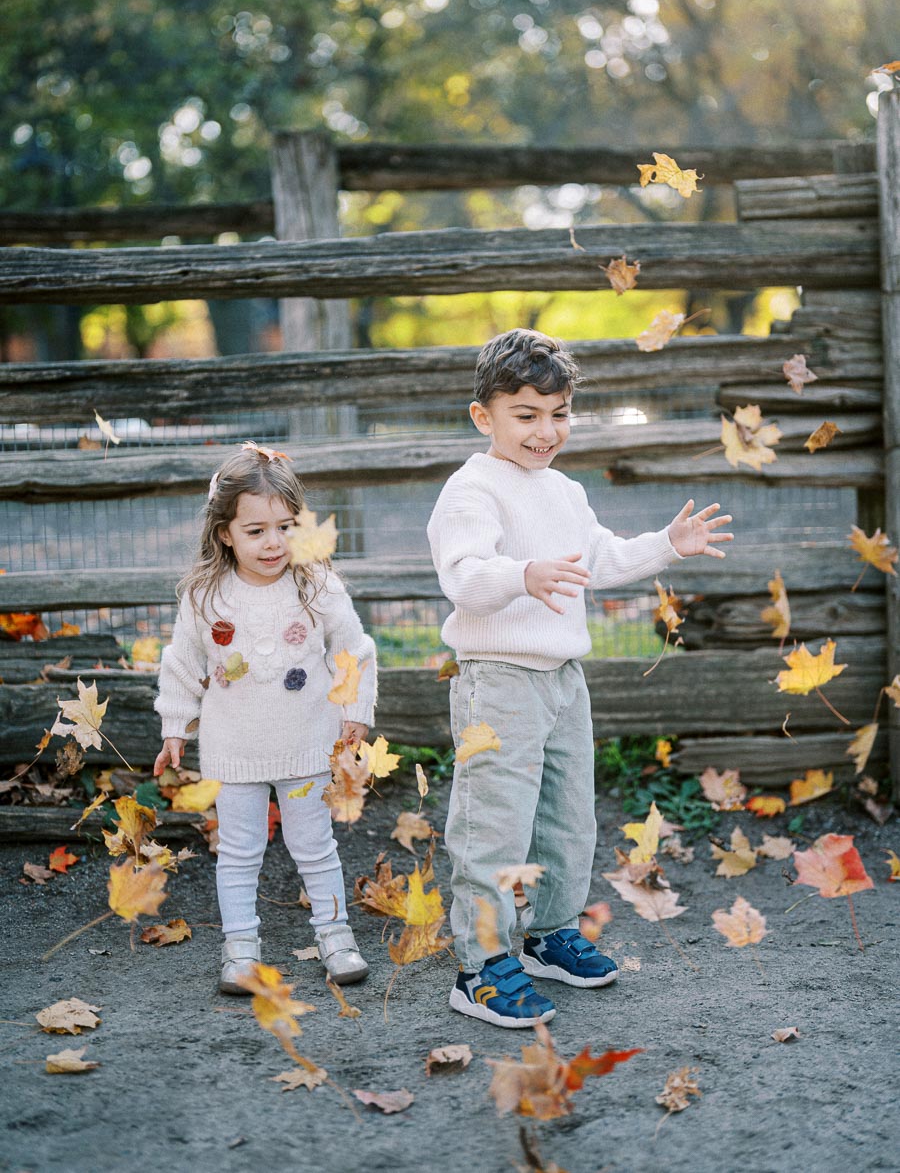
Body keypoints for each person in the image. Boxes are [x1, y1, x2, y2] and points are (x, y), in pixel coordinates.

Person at [427, 329, 733, 1028]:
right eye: (526, 415)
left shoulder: (563, 489)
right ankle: (479, 968)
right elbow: (466, 577)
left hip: (564, 680)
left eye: (559, 413)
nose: (545, 430)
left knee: (566, 820)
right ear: (485, 416)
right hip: (498, 680)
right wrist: (523, 575)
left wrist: (665, 545)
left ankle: (547, 934)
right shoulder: (471, 489)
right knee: (493, 826)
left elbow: (598, 557)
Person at [153, 441, 376, 992]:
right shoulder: (205, 596)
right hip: (235, 749)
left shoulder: (316, 584)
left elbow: (353, 648)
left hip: (307, 742)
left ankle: (335, 934)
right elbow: (182, 663)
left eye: (285, 526)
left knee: (315, 846)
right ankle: (241, 948)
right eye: (256, 531)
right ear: (225, 532)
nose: (273, 542)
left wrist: (356, 710)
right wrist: (175, 725)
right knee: (237, 852)